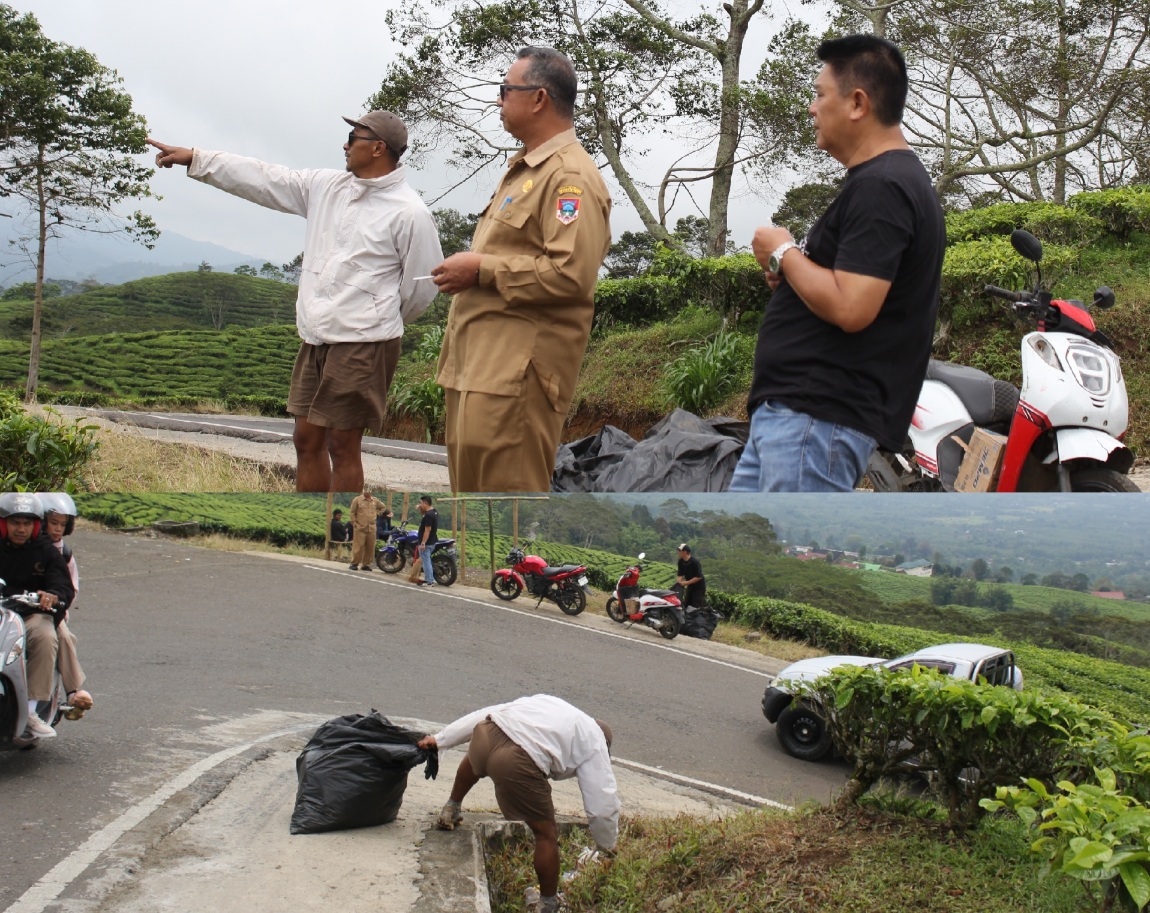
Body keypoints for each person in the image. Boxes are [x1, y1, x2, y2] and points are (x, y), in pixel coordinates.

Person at [147, 111, 444, 493]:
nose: (345, 144)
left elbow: (421, 286)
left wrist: (375, 316)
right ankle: (308, 525)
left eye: (352, 137)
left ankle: (340, 535)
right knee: (306, 439)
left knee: (343, 443)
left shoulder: (409, 212)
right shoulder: (327, 187)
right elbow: (265, 178)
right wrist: (198, 159)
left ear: (377, 148)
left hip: (363, 342)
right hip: (317, 336)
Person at [729, 34, 945, 492]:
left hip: (815, 420)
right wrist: (791, 273)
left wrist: (785, 251)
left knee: (785, 562)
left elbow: (852, 306)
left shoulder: (883, 186)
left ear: (857, 103)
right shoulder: (879, 182)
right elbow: (844, 288)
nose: (812, 107)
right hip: (797, 417)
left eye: (820, 94)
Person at [432, 46, 612, 493]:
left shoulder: (570, 177)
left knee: (505, 514)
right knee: (471, 514)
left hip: (515, 378)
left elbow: (570, 274)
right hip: (480, 369)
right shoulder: (525, 171)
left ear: (537, 98)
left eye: (505, 90)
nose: (499, 101)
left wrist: (480, 271)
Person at [416, 694, 618, 913]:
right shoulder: (595, 742)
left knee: (476, 760)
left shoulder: (553, 705)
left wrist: (441, 738)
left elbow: (491, 711)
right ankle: (548, 904)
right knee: (546, 834)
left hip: (486, 734)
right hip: (515, 761)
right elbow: (601, 807)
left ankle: (451, 808)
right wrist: (607, 846)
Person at [0, 493, 74, 739]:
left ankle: (31, 711)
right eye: (14, 522)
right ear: (3, 523)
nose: (20, 529)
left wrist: (52, 596)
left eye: (26, 523)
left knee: (45, 636)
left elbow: (63, 587)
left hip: (31, 615)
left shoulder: (47, 551)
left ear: (35, 525)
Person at [39, 493, 93, 720]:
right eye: (53, 523)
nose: (57, 529)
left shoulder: (64, 553)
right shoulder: (27, 546)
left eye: (62, 524)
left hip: (50, 613)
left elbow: (71, 589)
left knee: (63, 637)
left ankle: (72, 692)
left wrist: (55, 602)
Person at [347, 489, 378, 571]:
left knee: (370, 547)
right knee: (358, 546)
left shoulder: (375, 501)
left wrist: (377, 514)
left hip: (371, 528)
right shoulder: (357, 500)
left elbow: (383, 507)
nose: (368, 492)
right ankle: (354, 563)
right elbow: (352, 512)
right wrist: (354, 523)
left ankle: (365, 564)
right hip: (360, 527)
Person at [414, 495, 438, 586]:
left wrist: (423, 543)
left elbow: (427, 530)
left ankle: (429, 581)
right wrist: (420, 507)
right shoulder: (434, 512)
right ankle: (430, 578)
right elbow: (424, 511)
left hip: (426, 543)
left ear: (425, 503)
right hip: (432, 541)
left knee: (426, 561)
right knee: (427, 561)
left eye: (421, 503)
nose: (420, 504)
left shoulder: (428, 515)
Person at [675, 543, 706, 609]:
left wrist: (686, 583)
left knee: (696, 604)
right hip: (690, 585)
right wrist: (679, 584)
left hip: (699, 586)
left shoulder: (695, 562)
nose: (678, 552)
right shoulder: (680, 562)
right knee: (687, 603)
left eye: (680, 551)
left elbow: (699, 577)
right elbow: (680, 574)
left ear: (685, 552)